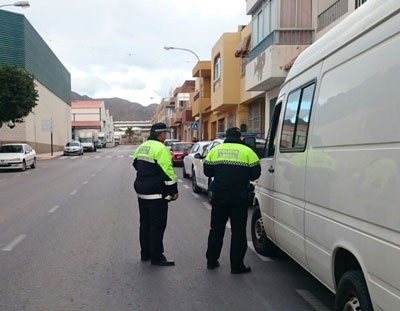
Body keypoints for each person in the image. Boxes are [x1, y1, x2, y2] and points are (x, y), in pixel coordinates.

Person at [204, 127, 261, 274]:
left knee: (216, 229)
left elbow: (207, 171)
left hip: (219, 195)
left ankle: (211, 261)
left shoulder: (215, 150)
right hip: (239, 196)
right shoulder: (248, 151)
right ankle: (237, 266)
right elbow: (255, 174)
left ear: (226, 137)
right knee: (238, 231)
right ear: (240, 137)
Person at [132, 122, 179, 266]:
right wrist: (174, 190)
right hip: (156, 193)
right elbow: (167, 171)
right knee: (157, 226)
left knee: (145, 223)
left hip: (141, 190)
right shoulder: (161, 148)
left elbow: (135, 163)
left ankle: (145, 254)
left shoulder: (142, 147)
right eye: (165, 133)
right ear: (162, 134)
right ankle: (157, 257)